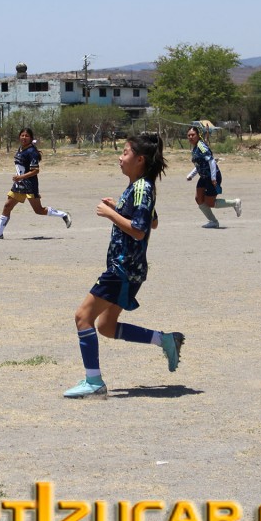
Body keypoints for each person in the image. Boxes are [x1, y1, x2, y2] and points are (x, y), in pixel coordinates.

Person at [63, 132, 185, 399]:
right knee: (106, 326)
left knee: (82, 317)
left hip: (122, 268)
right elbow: (153, 221)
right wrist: (118, 208)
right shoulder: (140, 186)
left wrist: (110, 214)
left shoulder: (142, 188)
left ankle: (94, 382)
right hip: (130, 269)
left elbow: (140, 230)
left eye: (126, 152)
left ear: (140, 160)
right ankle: (165, 340)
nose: (120, 157)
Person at [0, 128, 71, 239]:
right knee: (7, 206)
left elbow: (35, 171)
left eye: (27, 136)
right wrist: (19, 178)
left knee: (39, 210)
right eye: (22, 135)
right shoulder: (20, 149)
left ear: (31, 138)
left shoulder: (31, 152)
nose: (24, 137)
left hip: (29, 185)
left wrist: (20, 177)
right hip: (19, 184)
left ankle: (64, 215)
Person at [185, 125, 241, 228]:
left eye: (193, 135)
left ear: (198, 135)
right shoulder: (195, 148)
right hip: (203, 177)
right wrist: (191, 175)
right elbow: (199, 165)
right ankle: (213, 221)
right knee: (198, 199)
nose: (190, 137)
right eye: (189, 135)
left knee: (210, 203)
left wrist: (213, 178)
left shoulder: (201, 146)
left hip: (211, 176)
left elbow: (211, 161)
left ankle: (234, 203)